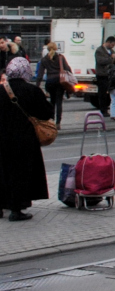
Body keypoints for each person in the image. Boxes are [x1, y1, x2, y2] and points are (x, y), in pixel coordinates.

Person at [0, 68, 54, 221]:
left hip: (2, 139)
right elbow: (46, 112)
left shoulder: (0, 90)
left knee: (3, 172)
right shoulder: (32, 90)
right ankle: (16, 209)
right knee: (20, 173)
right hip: (24, 140)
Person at [34, 41, 71, 129]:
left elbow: (40, 74)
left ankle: (51, 120)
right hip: (60, 82)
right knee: (59, 102)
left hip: (50, 82)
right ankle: (58, 122)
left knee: (52, 102)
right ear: (56, 48)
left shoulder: (44, 59)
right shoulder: (61, 58)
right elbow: (68, 69)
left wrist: (37, 86)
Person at [94, 36, 115, 113]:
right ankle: (103, 110)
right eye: (112, 45)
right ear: (108, 42)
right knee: (102, 93)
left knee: (111, 92)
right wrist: (111, 58)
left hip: (109, 74)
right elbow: (101, 61)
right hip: (102, 74)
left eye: (114, 46)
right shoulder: (99, 50)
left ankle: (114, 109)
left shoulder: (111, 50)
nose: (112, 47)